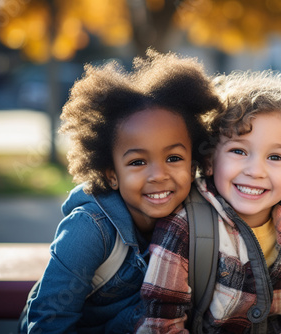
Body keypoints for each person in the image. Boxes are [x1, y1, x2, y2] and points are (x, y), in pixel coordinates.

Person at [137, 70, 281, 333]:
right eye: (238, 151)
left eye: (275, 157)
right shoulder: (184, 225)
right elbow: (160, 323)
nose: (255, 171)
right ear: (209, 160)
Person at [18, 49, 221, 334]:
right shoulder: (89, 230)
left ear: (192, 166)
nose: (158, 175)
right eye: (138, 162)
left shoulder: (201, 219)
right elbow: (48, 323)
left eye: (173, 158)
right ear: (112, 175)